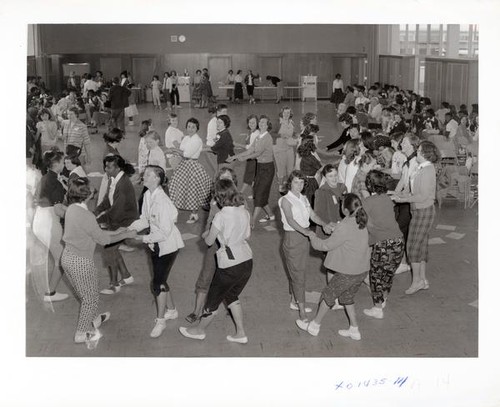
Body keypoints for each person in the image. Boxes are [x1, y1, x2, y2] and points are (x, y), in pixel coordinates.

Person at [62, 177, 135, 346]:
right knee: (91, 298)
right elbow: (104, 240)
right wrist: (125, 234)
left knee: (85, 292)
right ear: (88, 195)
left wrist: (100, 227)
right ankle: (81, 333)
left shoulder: (71, 209)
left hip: (67, 257)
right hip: (81, 262)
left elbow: (87, 229)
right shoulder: (86, 215)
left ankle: (92, 319)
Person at [179, 179, 253, 343]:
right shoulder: (244, 211)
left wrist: (207, 234)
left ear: (218, 197)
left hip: (229, 264)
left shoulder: (220, 216)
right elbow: (247, 235)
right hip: (247, 259)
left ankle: (199, 330)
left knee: (212, 301)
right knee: (231, 295)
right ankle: (240, 333)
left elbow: (209, 242)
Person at [297, 194, 370, 340]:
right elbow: (348, 233)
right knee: (347, 297)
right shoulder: (359, 220)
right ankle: (354, 330)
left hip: (348, 272)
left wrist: (312, 237)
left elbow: (325, 245)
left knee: (328, 295)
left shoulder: (344, 226)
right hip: (361, 271)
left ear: (345, 210)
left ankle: (314, 326)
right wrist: (336, 228)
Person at [128, 166, 185, 337]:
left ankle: (161, 321)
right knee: (162, 279)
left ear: (157, 179)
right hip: (156, 245)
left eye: (147, 175)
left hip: (167, 247)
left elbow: (165, 232)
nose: (143, 176)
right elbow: (145, 219)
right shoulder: (147, 194)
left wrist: (141, 239)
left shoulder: (163, 202)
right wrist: (129, 228)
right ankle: (172, 310)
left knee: (157, 283)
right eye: (144, 174)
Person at [185, 167, 238, 323]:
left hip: (231, 246)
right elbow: (209, 222)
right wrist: (207, 232)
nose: (225, 181)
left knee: (229, 278)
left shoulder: (239, 201)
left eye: (228, 179)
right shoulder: (214, 200)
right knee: (206, 276)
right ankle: (196, 311)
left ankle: (232, 307)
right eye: (222, 179)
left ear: (233, 182)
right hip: (214, 245)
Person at [279, 171, 330, 322]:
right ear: (290, 183)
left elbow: (312, 215)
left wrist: (324, 224)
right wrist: (306, 232)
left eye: (301, 183)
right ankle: (301, 310)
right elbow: (290, 220)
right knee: (298, 275)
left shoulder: (303, 198)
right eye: (296, 182)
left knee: (298, 272)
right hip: (293, 239)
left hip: (303, 240)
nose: (299, 185)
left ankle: (294, 301)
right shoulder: (285, 200)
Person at [392, 141, 439, 294]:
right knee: (421, 247)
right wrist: (400, 194)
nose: (416, 152)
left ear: (425, 154)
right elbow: (415, 191)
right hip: (419, 210)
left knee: (412, 247)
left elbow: (423, 195)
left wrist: (403, 199)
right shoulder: (422, 168)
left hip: (423, 211)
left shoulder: (427, 170)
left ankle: (416, 281)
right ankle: (423, 280)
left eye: (419, 151)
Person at [362, 170, 405, 319]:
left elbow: (366, 224)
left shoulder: (366, 202)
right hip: (399, 241)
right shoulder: (387, 199)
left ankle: (377, 308)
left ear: (369, 185)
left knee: (375, 276)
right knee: (388, 273)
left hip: (383, 244)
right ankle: (384, 299)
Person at [94, 155, 138, 294]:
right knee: (112, 248)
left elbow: (116, 211)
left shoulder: (123, 184)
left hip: (125, 220)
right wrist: (95, 212)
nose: (106, 169)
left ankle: (114, 285)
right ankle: (126, 276)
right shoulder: (113, 179)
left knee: (109, 249)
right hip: (118, 217)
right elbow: (107, 200)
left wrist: (97, 221)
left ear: (118, 168)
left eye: (109, 167)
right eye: (105, 166)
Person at [32, 150, 69, 303]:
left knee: (58, 257)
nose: (64, 164)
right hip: (49, 223)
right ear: (56, 164)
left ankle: (49, 291)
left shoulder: (46, 178)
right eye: (62, 162)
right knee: (61, 259)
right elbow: (59, 209)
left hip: (39, 219)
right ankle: (50, 293)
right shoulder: (55, 183)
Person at [227, 115, 275, 227]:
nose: (262, 124)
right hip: (260, 168)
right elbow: (250, 150)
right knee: (258, 191)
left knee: (259, 193)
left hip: (267, 169)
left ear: (268, 126)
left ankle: (252, 220)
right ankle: (270, 214)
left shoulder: (267, 138)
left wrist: (244, 158)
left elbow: (257, 153)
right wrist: (235, 157)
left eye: (264, 123)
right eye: (261, 122)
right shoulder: (258, 137)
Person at [167, 118, 212, 224]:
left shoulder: (197, 140)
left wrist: (173, 149)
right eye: (189, 126)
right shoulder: (186, 138)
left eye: (193, 127)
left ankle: (194, 214)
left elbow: (187, 154)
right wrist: (177, 150)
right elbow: (182, 150)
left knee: (193, 190)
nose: (190, 129)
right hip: (184, 165)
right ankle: (174, 213)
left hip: (192, 165)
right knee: (177, 188)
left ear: (197, 128)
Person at [392, 133, 420, 275]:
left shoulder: (415, 162)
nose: (401, 144)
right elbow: (402, 181)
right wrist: (393, 196)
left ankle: (404, 262)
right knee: (402, 231)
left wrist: (400, 196)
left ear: (412, 145)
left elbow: (411, 186)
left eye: (404, 142)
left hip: (410, 202)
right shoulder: (407, 161)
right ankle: (403, 262)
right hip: (403, 201)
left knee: (401, 231)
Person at [314, 164, 346, 238]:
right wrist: (331, 225)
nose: (334, 178)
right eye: (330, 176)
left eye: (335, 175)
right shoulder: (321, 192)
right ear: (325, 178)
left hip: (341, 228)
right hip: (329, 230)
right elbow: (319, 214)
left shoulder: (343, 188)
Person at [273, 106, 297, 192]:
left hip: (289, 148)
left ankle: (287, 183)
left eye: (288, 113)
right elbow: (271, 133)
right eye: (285, 112)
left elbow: (292, 133)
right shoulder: (278, 122)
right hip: (279, 149)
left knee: (290, 168)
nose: (286, 114)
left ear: (290, 114)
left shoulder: (292, 123)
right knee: (281, 169)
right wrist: (280, 135)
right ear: (282, 113)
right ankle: (280, 185)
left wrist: (296, 135)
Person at [239, 114, 259, 198]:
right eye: (250, 122)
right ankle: (254, 194)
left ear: (257, 123)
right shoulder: (251, 132)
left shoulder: (255, 133)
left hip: (253, 158)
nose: (251, 124)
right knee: (253, 177)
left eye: (253, 123)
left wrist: (237, 145)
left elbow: (250, 148)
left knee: (248, 176)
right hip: (251, 157)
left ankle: (240, 193)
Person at [297, 138, 321, 205]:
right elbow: (321, 168)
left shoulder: (304, 155)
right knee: (310, 202)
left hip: (304, 180)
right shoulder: (311, 157)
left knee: (304, 200)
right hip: (310, 182)